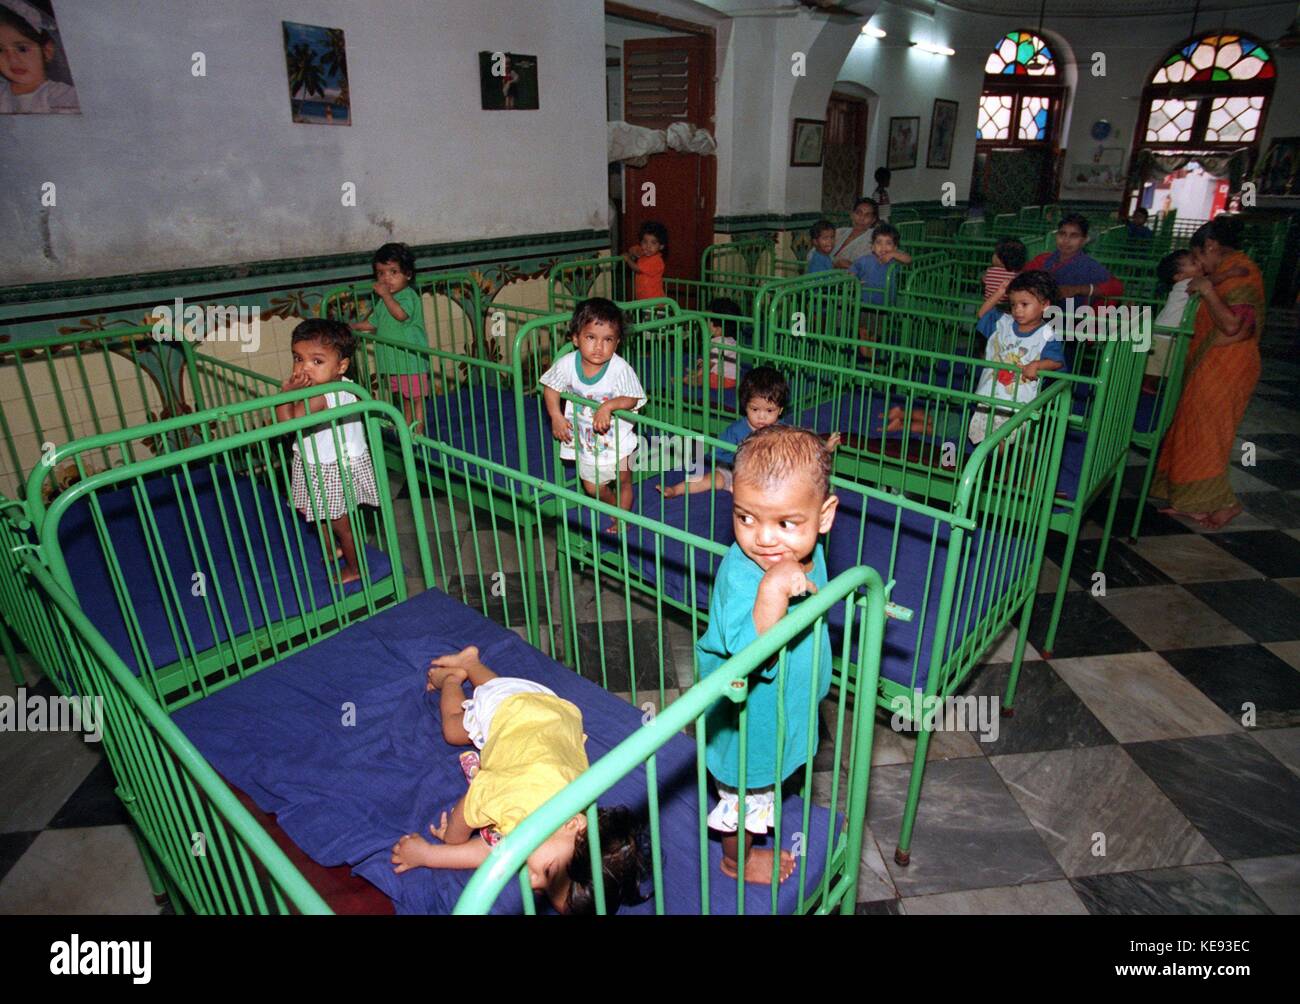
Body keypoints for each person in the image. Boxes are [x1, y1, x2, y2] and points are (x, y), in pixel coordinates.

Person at [391, 645, 650, 915]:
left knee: (500, 690)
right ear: (572, 824)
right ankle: (452, 679)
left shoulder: (573, 819)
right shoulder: (514, 798)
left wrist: (428, 857)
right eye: (548, 873)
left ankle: (471, 661)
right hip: (509, 713)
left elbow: (497, 851)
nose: (532, 880)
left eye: (544, 891)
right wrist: (450, 840)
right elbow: (469, 809)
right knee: (455, 730)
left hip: (552, 709)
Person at [695, 425, 838, 883]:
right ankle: (735, 860)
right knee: (744, 794)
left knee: (771, 777)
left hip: (783, 706)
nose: (763, 539)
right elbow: (749, 658)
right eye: (745, 517)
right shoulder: (745, 577)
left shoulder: (808, 554)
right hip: (745, 721)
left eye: (786, 523)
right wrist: (773, 590)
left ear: (824, 516)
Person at [1151, 216, 1266, 530]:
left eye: (1198, 257)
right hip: (1210, 364)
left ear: (1212, 246)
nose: (1200, 265)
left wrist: (1207, 291)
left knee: (1209, 437)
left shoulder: (1243, 276)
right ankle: (1193, 501)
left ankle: (1226, 504)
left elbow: (1233, 326)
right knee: (1194, 431)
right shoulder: (1233, 270)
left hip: (1227, 368)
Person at [274, 319, 381, 585]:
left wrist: (285, 395)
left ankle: (355, 567)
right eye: (298, 358)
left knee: (342, 527)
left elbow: (288, 426)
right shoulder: (345, 386)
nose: (304, 368)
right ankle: (335, 548)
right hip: (322, 462)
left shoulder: (320, 397)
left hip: (328, 469)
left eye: (317, 361)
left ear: (341, 365)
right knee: (309, 507)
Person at [541, 298, 646, 531]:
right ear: (576, 338)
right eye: (591, 338)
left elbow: (632, 398)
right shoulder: (568, 364)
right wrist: (556, 416)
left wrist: (608, 407)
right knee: (591, 487)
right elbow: (551, 388)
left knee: (624, 480)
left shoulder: (619, 368)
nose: (599, 347)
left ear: (616, 343)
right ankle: (615, 505)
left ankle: (622, 517)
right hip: (587, 441)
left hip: (618, 440)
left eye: (607, 340)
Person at [660, 366, 840, 498]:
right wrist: (741, 456)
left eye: (769, 411)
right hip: (733, 472)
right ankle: (676, 489)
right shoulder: (736, 431)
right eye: (755, 410)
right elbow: (717, 452)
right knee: (710, 479)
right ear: (745, 406)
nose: (762, 417)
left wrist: (825, 448)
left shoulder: (781, 429)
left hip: (766, 475)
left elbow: (802, 447)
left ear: (780, 410)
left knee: (789, 479)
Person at [968, 270, 1066, 444]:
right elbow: (982, 314)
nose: (1017, 310)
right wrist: (999, 293)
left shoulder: (1047, 334)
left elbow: (1056, 362)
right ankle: (1000, 468)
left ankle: (1011, 465)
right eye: (1013, 304)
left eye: (1024, 304)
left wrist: (1038, 365)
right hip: (988, 399)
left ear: (1044, 305)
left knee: (1003, 446)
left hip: (1017, 404)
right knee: (982, 441)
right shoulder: (1003, 323)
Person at [351, 243, 429, 433]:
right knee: (404, 396)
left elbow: (400, 315)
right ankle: (405, 424)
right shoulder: (383, 301)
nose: (387, 278)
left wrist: (385, 296)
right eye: (381, 273)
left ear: (408, 275)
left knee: (417, 398)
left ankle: (418, 432)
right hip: (393, 361)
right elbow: (373, 323)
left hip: (411, 360)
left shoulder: (407, 296)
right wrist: (352, 326)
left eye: (393, 272)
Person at [1025, 213, 1124, 312]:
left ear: (1084, 240)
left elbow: (1116, 288)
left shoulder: (1090, 266)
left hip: (1069, 320)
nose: (1066, 241)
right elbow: (1022, 279)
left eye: (1074, 236)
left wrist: (1078, 289)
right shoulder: (1043, 260)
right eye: (1062, 234)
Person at [0, 4, 78, 113]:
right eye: (0, 50)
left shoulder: (63, 96)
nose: (12, 60)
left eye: (22, 49)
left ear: (47, 51)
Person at [851, 223, 911, 355]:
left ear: (895, 247)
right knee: (864, 330)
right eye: (879, 242)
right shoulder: (864, 260)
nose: (883, 247)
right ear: (872, 246)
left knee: (877, 333)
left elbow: (908, 259)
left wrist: (893, 254)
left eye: (888, 243)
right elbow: (851, 273)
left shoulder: (894, 262)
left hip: (884, 305)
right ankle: (866, 354)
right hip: (865, 303)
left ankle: (869, 354)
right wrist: (855, 281)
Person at [688, 297, 744, 390]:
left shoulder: (718, 343)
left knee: (699, 379)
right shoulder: (730, 340)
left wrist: (697, 376)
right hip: (732, 378)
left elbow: (708, 365)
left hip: (724, 380)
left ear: (718, 329)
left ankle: (683, 381)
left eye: (707, 321)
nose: (705, 324)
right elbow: (717, 360)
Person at [831, 198, 880, 269]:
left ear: (873, 220)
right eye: (858, 213)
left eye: (867, 215)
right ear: (852, 215)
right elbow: (812, 253)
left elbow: (861, 268)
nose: (861, 218)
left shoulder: (874, 239)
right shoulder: (839, 232)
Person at [625, 221, 668, 300]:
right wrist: (633, 251)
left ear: (661, 246)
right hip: (645, 299)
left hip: (655, 301)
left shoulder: (656, 260)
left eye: (653, 243)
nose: (648, 246)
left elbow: (637, 269)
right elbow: (633, 250)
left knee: (651, 313)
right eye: (645, 242)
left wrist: (627, 259)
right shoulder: (644, 254)